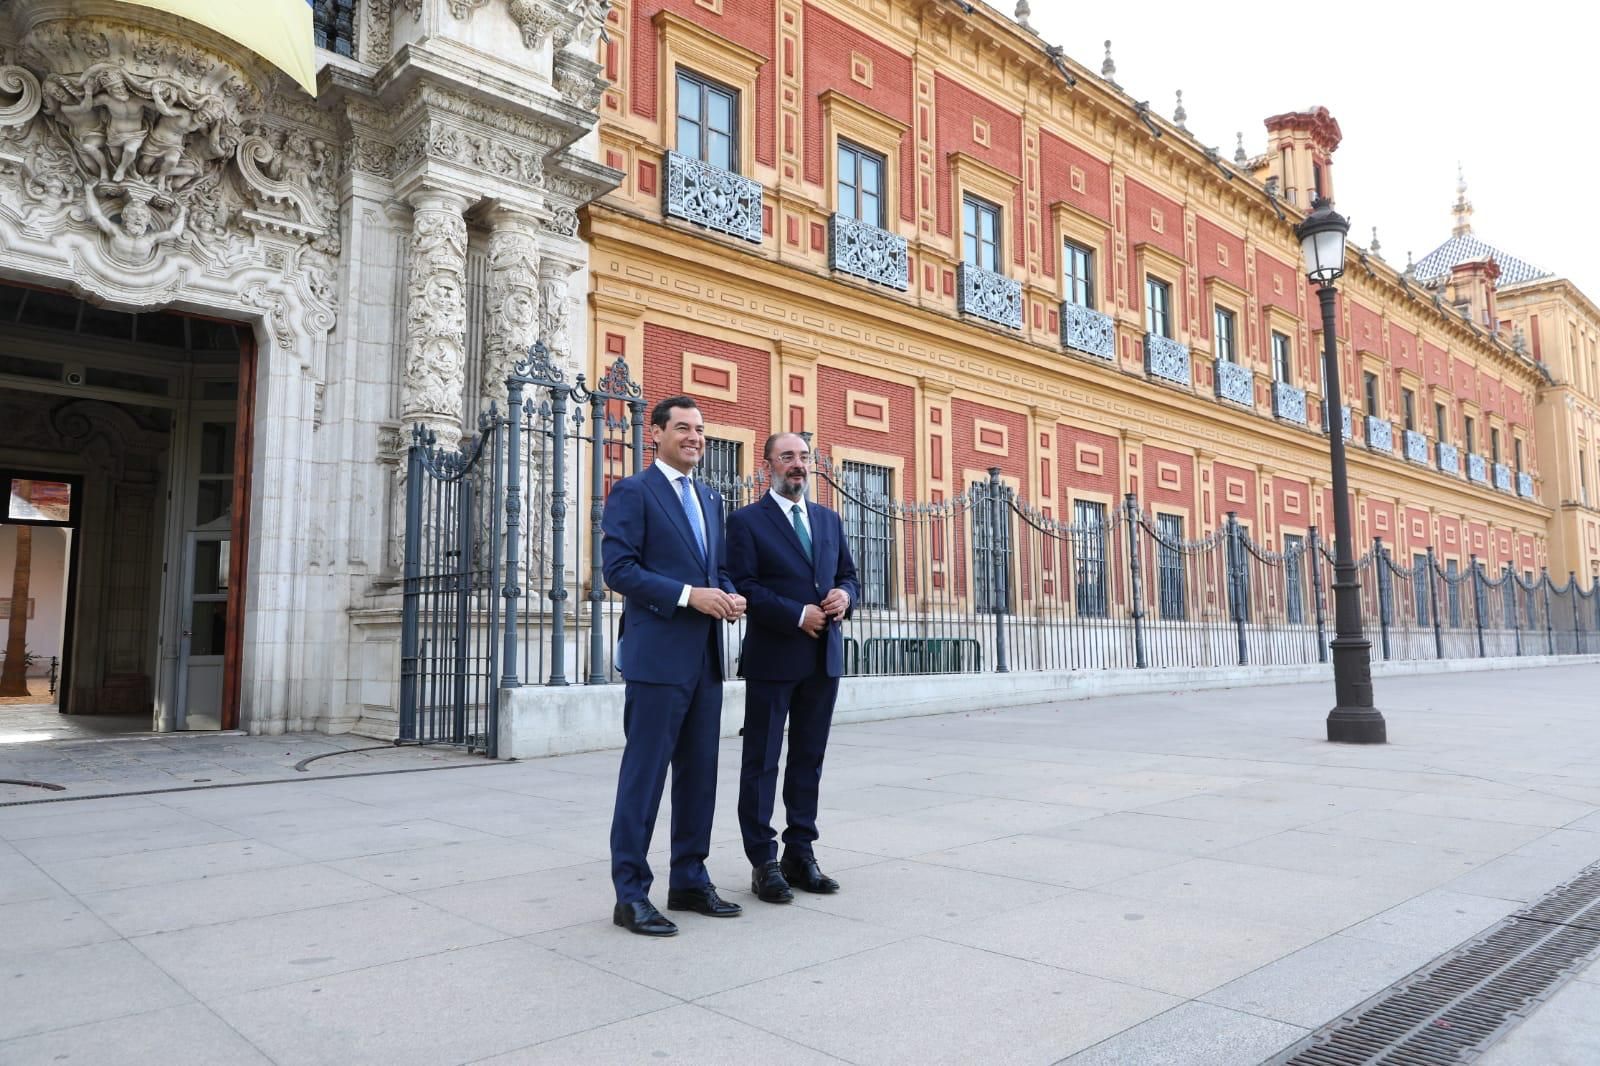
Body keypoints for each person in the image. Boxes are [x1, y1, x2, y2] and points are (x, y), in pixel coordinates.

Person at [601, 395, 747, 936]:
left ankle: (688, 877)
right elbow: (619, 569)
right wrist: (691, 596)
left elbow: (720, 569)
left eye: (702, 430)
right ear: (657, 434)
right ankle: (630, 894)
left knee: (699, 776)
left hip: (706, 659)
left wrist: (728, 596)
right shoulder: (634, 492)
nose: (695, 438)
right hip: (657, 657)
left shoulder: (710, 498)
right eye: (683, 428)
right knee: (644, 777)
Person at [726, 433, 858, 903]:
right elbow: (743, 586)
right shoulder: (746, 522)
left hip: (824, 659)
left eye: (804, 457)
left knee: (808, 759)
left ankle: (800, 853)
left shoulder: (828, 519)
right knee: (761, 760)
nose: (797, 465)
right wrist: (795, 613)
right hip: (773, 658)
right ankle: (763, 859)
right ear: (769, 466)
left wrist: (845, 596)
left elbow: (848, 575)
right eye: (787, 457)